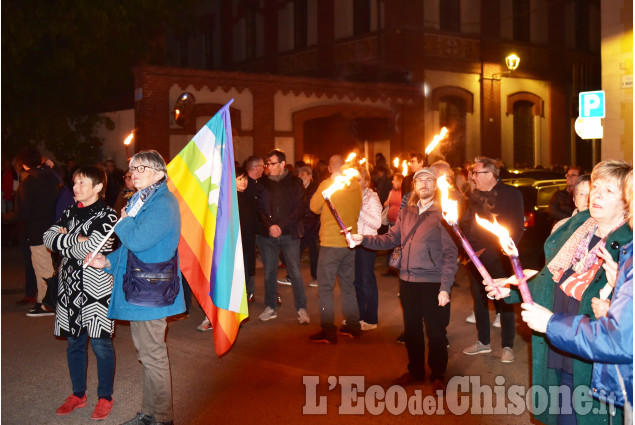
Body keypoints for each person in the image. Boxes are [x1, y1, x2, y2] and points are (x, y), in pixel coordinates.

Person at [486, 160, 632, 425]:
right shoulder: (577, 229)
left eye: (608, 191)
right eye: (595, 187)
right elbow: (548, 280)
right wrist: (510, 288)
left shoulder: (627, 247)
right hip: (559, 346)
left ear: (627, 201)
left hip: (593, 362)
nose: (595, 195)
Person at [85, 150, 186, 425]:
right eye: (133, 168)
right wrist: (106, 260)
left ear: (159, 174)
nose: (134, 173)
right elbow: (132, 250)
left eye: (141, 168)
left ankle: (161, 418)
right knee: (147, 356)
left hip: (151, 292)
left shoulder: (163, 203)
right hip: (142, 288)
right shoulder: (144, 200)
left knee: (153, 356)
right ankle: (149, 413)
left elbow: (138, 240)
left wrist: (125, 219)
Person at [350, 167, 458, 391]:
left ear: (435, 185)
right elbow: (390, 238)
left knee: (437, 332)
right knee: (412, 330)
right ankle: (415, 371)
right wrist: (363, 239)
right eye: (420, 181)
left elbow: (450, 253)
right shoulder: (406, 212)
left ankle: (438, 373)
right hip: (408, 281)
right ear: (415, 186)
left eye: (429, 180)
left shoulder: (444, 214)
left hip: (433, 283)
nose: (424, 184)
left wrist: (445, 287)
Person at [43, 166, 118, 420]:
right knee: (74, 343)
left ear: (98, 187)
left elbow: (97, 246)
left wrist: (67, 240)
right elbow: (48, 238)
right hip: (69, 286)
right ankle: (78, 394)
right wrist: (78, 240)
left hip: (96, 288)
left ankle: (105, 397)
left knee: (100, 343)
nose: (75, 188)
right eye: (74, 183)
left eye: (82, 183)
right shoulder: (69, 210)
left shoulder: (108, 215)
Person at [460, 157, 524, 363]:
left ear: (491, 174)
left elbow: (516, 228)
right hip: (476, 258)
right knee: (479, 301)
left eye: (476, 173)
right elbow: (468, 225)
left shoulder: (512, 194)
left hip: (500, 258)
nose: (473, 177)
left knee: (504, 302)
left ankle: (507, 346)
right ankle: (483, 342)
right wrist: (468, 252)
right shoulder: (474, 196)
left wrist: (501, 252)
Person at [309, 154, 362, 343]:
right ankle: (353, 325)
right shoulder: (355, 186)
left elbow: (313, 207)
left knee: (325, 288)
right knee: (348, 286)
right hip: (349, 243)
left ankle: (328, 329)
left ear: (330, 169)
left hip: (331, 243)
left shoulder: (327, 186)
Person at [2, 146, 60, 316]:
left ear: (24, 165)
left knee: (43, 268)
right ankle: (43, 302)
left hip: (36, 231)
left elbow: (21, 213)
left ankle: (48, 304)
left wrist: (3, 217)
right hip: (52, 228)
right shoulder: (51, 176)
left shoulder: (28, 184)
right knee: (45, 266)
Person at [256, 149, 309, 324]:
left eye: (271, 163)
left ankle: (302, 308)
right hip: (268, 235)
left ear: (282, 164)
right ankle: (271, 306)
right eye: (267, 164)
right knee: (270, 271)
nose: (268, 167)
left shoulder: (295, 183)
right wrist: (270, 226)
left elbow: (300, 208)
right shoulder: (262, 183)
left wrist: (282, 225)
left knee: (294, 271)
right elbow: (260, 209)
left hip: (290, 234)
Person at [352, 169, 382, 330]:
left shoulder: (372, 198)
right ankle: (359, 316)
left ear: (366, 182)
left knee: (366, 281)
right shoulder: (355, 197)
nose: (354, 183)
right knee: (356, 282)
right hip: (355, 242)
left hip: (368, 242)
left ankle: (371, 319)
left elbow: (377, 223)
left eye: (358, 180)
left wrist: (359, 211)